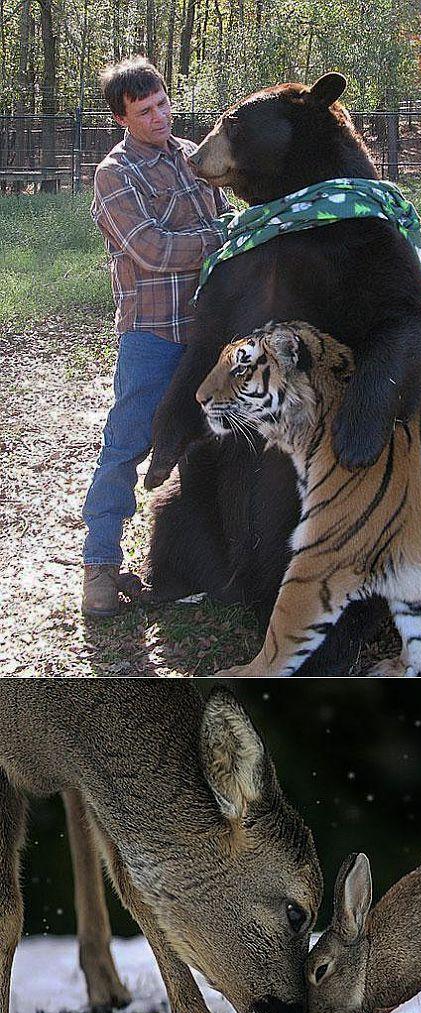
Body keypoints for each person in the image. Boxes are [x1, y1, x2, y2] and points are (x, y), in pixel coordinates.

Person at [82, 55, 228, 618]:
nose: (159, 117)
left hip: (209, 332)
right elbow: (153, 249)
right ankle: (100, 566)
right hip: (153, 334)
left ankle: (194, 560)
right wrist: (220, 238)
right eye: (144, 112)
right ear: (121, 118)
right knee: (127, 446)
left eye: (162, 103)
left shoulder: (192, 155)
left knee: (208, 442)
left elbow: (227, 213)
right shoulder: (114, 174)